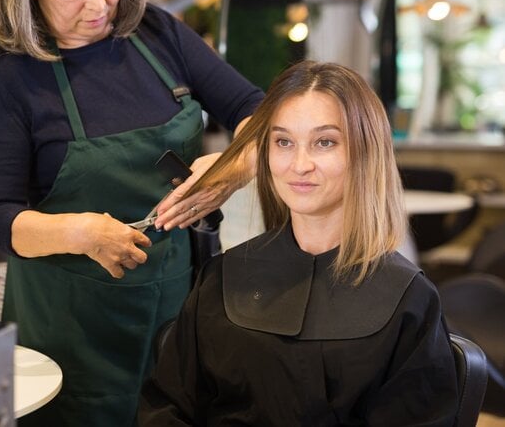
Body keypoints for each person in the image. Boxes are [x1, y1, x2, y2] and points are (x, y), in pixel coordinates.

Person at [0, 0, 263, 426]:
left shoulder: (158, 34)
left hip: (177, 313)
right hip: (69, 334)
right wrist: (81, 234)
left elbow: (258, 111)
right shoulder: (13, 78)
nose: (98, 1)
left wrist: (231, 168)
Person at [139, 60, 459, 426]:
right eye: (283, 142)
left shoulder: (409, 299)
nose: (299, 164)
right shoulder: (224, 276)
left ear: (364, 152)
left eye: (325, 142)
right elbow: (166, 407)